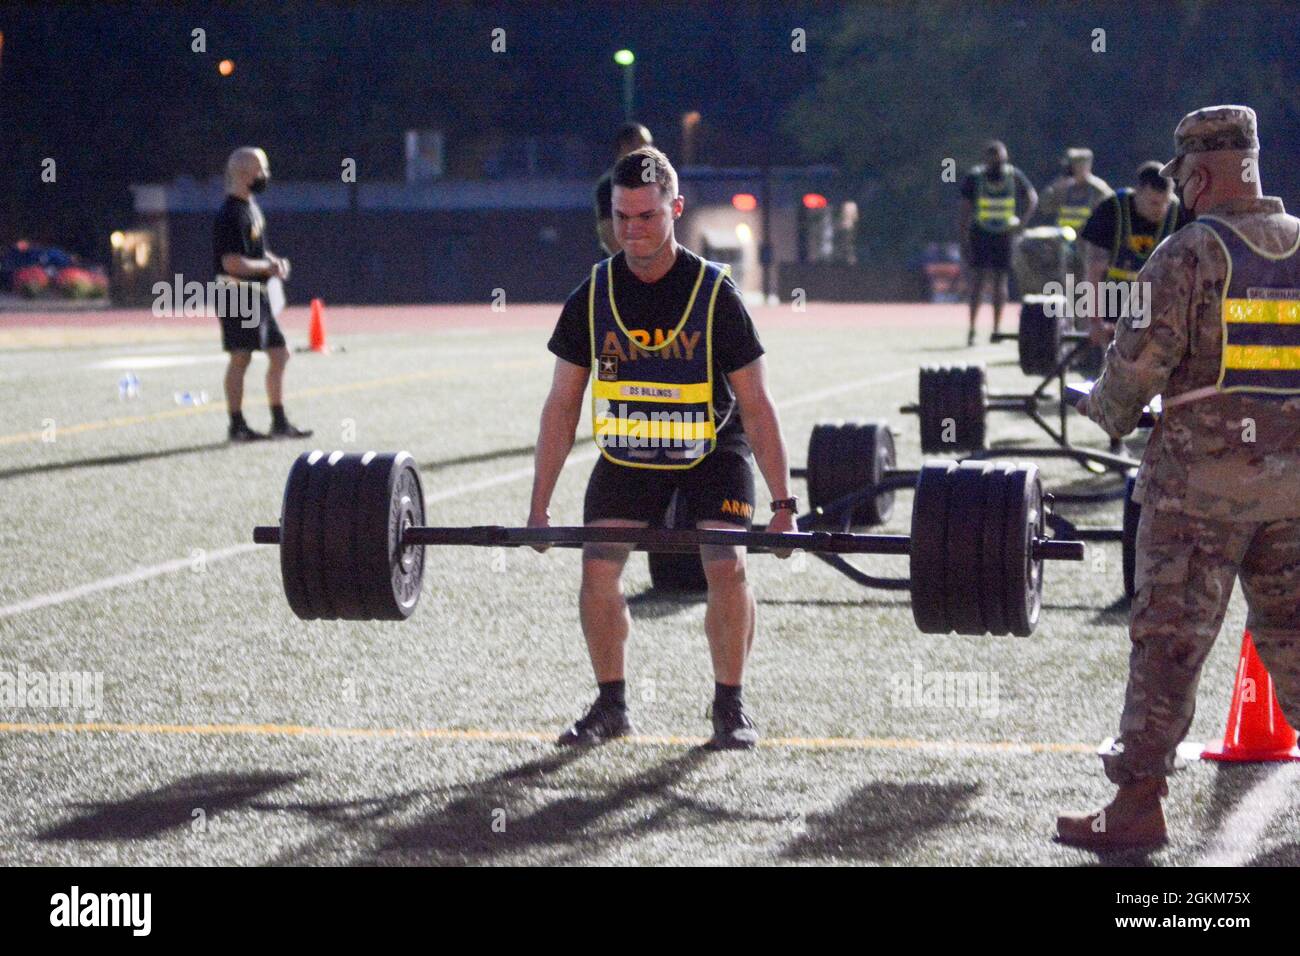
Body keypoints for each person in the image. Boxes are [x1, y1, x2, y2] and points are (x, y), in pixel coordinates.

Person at [1059, 106, 1300, 850]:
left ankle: (1137, 804)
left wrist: (1102, 407)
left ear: (1197, 173)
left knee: (1167, 642)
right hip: (1294, 488)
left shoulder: (1191, 251)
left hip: (1199, 492)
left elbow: (1135, 369)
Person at [529, 146, 797, 750]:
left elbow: (755, 404)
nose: (632, 229)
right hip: (631, 453)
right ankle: (611, 706)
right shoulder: (592, 294)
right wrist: (539, 506)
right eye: (622, 217)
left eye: (646, 216)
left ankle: (730, 706)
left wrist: (783, 505)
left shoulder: (715, 294)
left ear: (675, 209)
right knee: (597, 569)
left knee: (725, 564)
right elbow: (562, 404)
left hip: (710, 450)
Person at [212, 147, 312, 442]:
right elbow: (231, 262)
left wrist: (273, 261)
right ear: (244, 173)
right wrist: (267, 267)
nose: (265, 175)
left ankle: (279, 422)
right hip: (236, 295)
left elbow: (255, 252)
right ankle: (237, 425)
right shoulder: (230, 213)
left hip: (257, 295)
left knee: (280, 354)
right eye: (261, 169)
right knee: (240, 358)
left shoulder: (251, 207)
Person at [1079, 160, 1192, 345]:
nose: (1161, 210)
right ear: (1137, 191)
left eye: (1165, 202)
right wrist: (1095, 323)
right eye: (1154, 203)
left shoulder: (1178, 214)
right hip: (1113, 298)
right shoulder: (1110, 210)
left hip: (1157, 302)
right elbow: (1094, 270)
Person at [959, 140, 1037, 345]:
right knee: (977, 282)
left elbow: (1032, 197)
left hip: (1004, 235)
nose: (997, 164)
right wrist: (963, 237)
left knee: (999, 282)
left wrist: (1022, 224)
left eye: (1000, 159)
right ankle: (972, 328)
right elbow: (965, 209)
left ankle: (996, 329)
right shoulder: (975, 178)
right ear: (986, 160)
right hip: (981, 234)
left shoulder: (1013, 176)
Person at [594, 123, 654, 256]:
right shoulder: (610, 185)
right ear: (626, 146)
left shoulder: (652, 184)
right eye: (645, 145)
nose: (650, 151)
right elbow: (608, 230)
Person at [1037, 147, 1112, 233]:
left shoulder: (1097, 188)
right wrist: (1053, 189)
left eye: (1077, 166)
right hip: (1064, 237)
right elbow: (1045, 208)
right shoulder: (1063, 188)